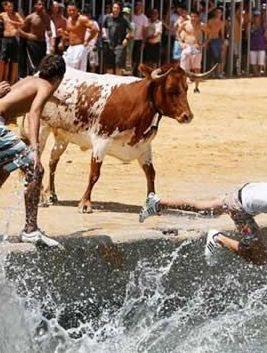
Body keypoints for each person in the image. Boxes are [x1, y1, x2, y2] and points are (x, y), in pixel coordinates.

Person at [0, 54, 66, 247]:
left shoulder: (30, 80)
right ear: (58, 79)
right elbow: (34, 112)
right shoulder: (45, 86)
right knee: (35, 169)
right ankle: (30, 230)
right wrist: (35, 149)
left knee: (4, 170)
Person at [139, 182, 267, 266]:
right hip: (239, 207)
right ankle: (218, 238)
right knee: (259, 257)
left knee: (203, 208)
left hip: (246, 191)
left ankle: (156, 203)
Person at [59, 2, 98, 71]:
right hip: (70, 47)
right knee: (67, 68)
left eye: (73, 10)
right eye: (69, 10)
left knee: (79, 70)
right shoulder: (69, 20)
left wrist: (87, 40)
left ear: (77, 10)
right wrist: (62, 41)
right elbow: (68, 34)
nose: (71, 12)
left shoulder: (82, 19)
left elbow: (95, 29)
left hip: (80, 47)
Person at [19, 0, 51, 74]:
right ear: (35, 6)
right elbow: (20, 31)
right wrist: (28, 36)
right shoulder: (30, 17)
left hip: (42, 43)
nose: (41, 6)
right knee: (33, 65)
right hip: (32, 43)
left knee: (42, 63)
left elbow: (48, 29)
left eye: (43, 4)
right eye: (39, 4)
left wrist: (49, 32)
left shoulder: (46, 17)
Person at [179, 9, 207, 93]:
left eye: (195, 16)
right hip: (187, 46)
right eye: (192, 16)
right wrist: (181, 42)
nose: (193, 18)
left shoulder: (201, 25)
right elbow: (178, 32)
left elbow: (210, 33)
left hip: (196, 47)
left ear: (198, 17)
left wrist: (203, 43)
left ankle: (196, 87)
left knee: (196, 68)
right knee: (183, 69)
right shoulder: (185, 23)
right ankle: (183, 87)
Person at [102, 2, 132, 75]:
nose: (115, 9)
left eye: (117, 8)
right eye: (114, 8)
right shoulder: (107, 17)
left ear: (120, 9)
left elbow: (131, 30)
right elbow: (104, 27)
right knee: (109, 65)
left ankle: (118, 82)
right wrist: (104, 34)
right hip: (109, 44)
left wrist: (127, 39)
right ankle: (110, 82)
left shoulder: (124, 19)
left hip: (119, 44)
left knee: (118, 64)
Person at [0, 1, 24, 84]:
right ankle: (2, 79)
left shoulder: (16, 14)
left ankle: (13, 81)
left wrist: (14, 22)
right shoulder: (2, 15)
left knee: (14, 60)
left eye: (12, 6)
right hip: (5, 39)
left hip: (14, 38)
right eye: (9, 6)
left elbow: (23, 23)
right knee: (3, 59)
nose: (11, 8)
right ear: (5, 7)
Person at [207, 7, 225, 78]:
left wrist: (222, 43)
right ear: (214, 13)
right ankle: (213, 73)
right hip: (210, 39)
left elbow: (222, 33)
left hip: (217, 40)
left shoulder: (222, 23)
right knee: (213, 57)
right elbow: (207, 31)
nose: (218, 14)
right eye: (217, 12)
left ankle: (218, 73)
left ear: (222, 14)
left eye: (219, 12)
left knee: (218, 57)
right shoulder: (210, 21)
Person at [132, 1, 148, 76]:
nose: (138, 7)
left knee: (137, 59)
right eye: (137, 5)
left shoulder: (144, 18)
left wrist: (143, 42)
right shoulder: (131, 16)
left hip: (139, 40)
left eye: (140, 6)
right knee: (130, 58)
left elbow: (145, 31)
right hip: (130, 40)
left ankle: (134, 73)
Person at [249, 9, 267, 76]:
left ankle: (258, 73)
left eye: (257, 16)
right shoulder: (250, 25)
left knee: (260, 62)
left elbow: (265, 35)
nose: (256, 18)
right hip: (253, 45)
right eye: (255, 16)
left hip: (261, 45)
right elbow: (247, 35)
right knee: (253, 61)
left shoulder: (263, 25)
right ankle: (256, 73)